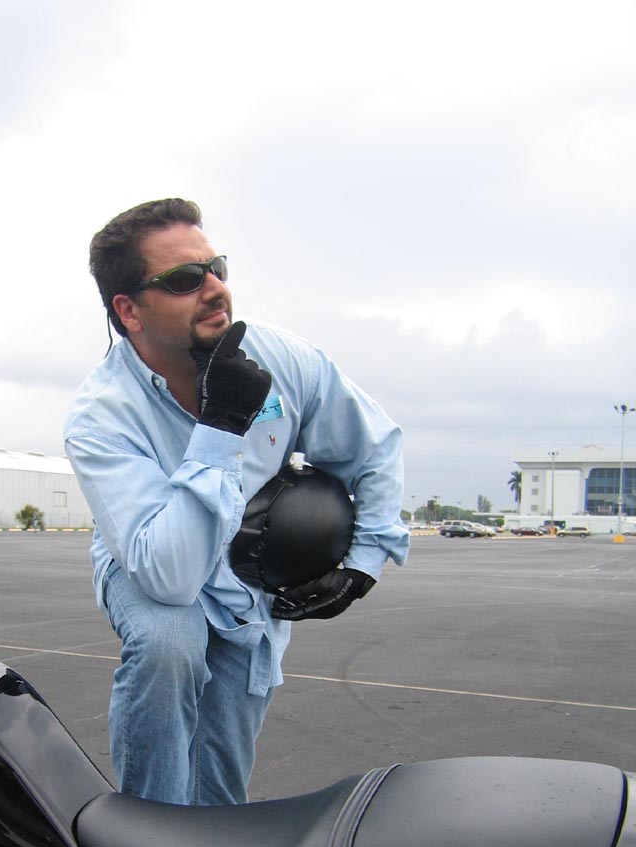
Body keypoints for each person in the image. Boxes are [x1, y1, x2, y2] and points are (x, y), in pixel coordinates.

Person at [65, 198, 408, 806]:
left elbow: (373, 446)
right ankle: (146, 834)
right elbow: (169, 576)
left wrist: (363, 562)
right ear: (129, 310)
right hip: (150, 556)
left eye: (216, 267)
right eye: (184, 280)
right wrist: (221, 426)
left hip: (251, 572)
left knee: (220, 777)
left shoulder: (282, 360)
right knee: (169, 645)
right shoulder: (101, 419)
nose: (215, 289)